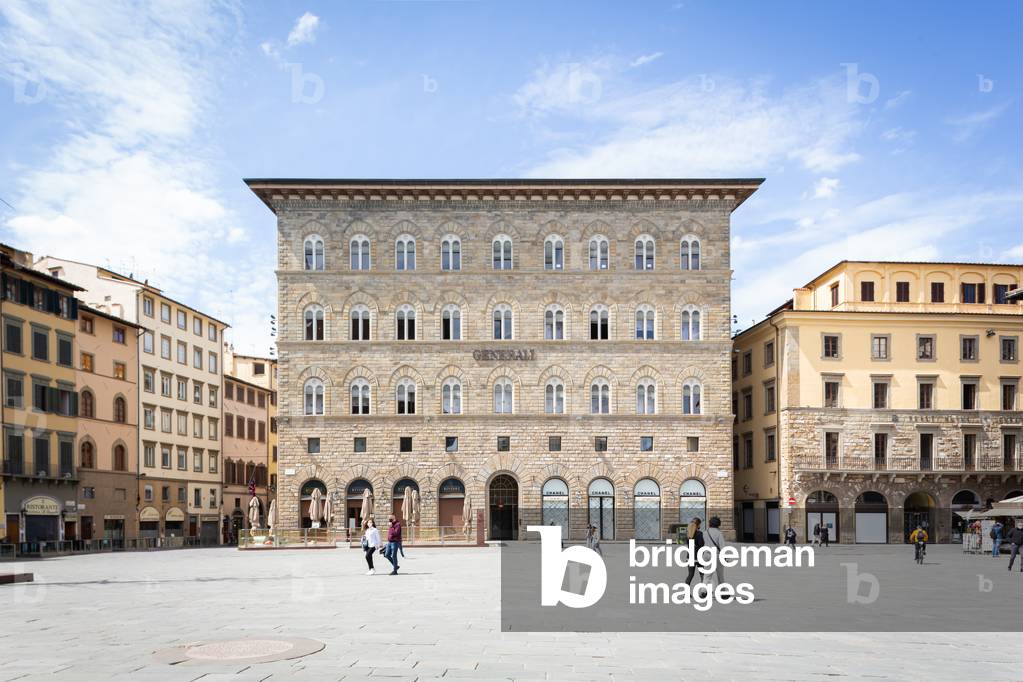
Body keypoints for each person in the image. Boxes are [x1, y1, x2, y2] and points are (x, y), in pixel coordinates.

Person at [702, 517, 726, 587]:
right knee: (720, 575)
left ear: (710, 523)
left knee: (707, 575)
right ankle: (722, 592)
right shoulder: (719, 533)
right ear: (718, 524)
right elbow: (722, 546)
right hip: (716, 555)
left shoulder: (705, 532)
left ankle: (703, 591)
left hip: (706, 554)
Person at [685, 518, 705, 587]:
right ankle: (703, 592)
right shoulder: (699, 534)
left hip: (690, 557)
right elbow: (701, 544)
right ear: (698, 525)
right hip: (699, 557)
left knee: (690, 575)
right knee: (702, 575)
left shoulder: (688, 534)